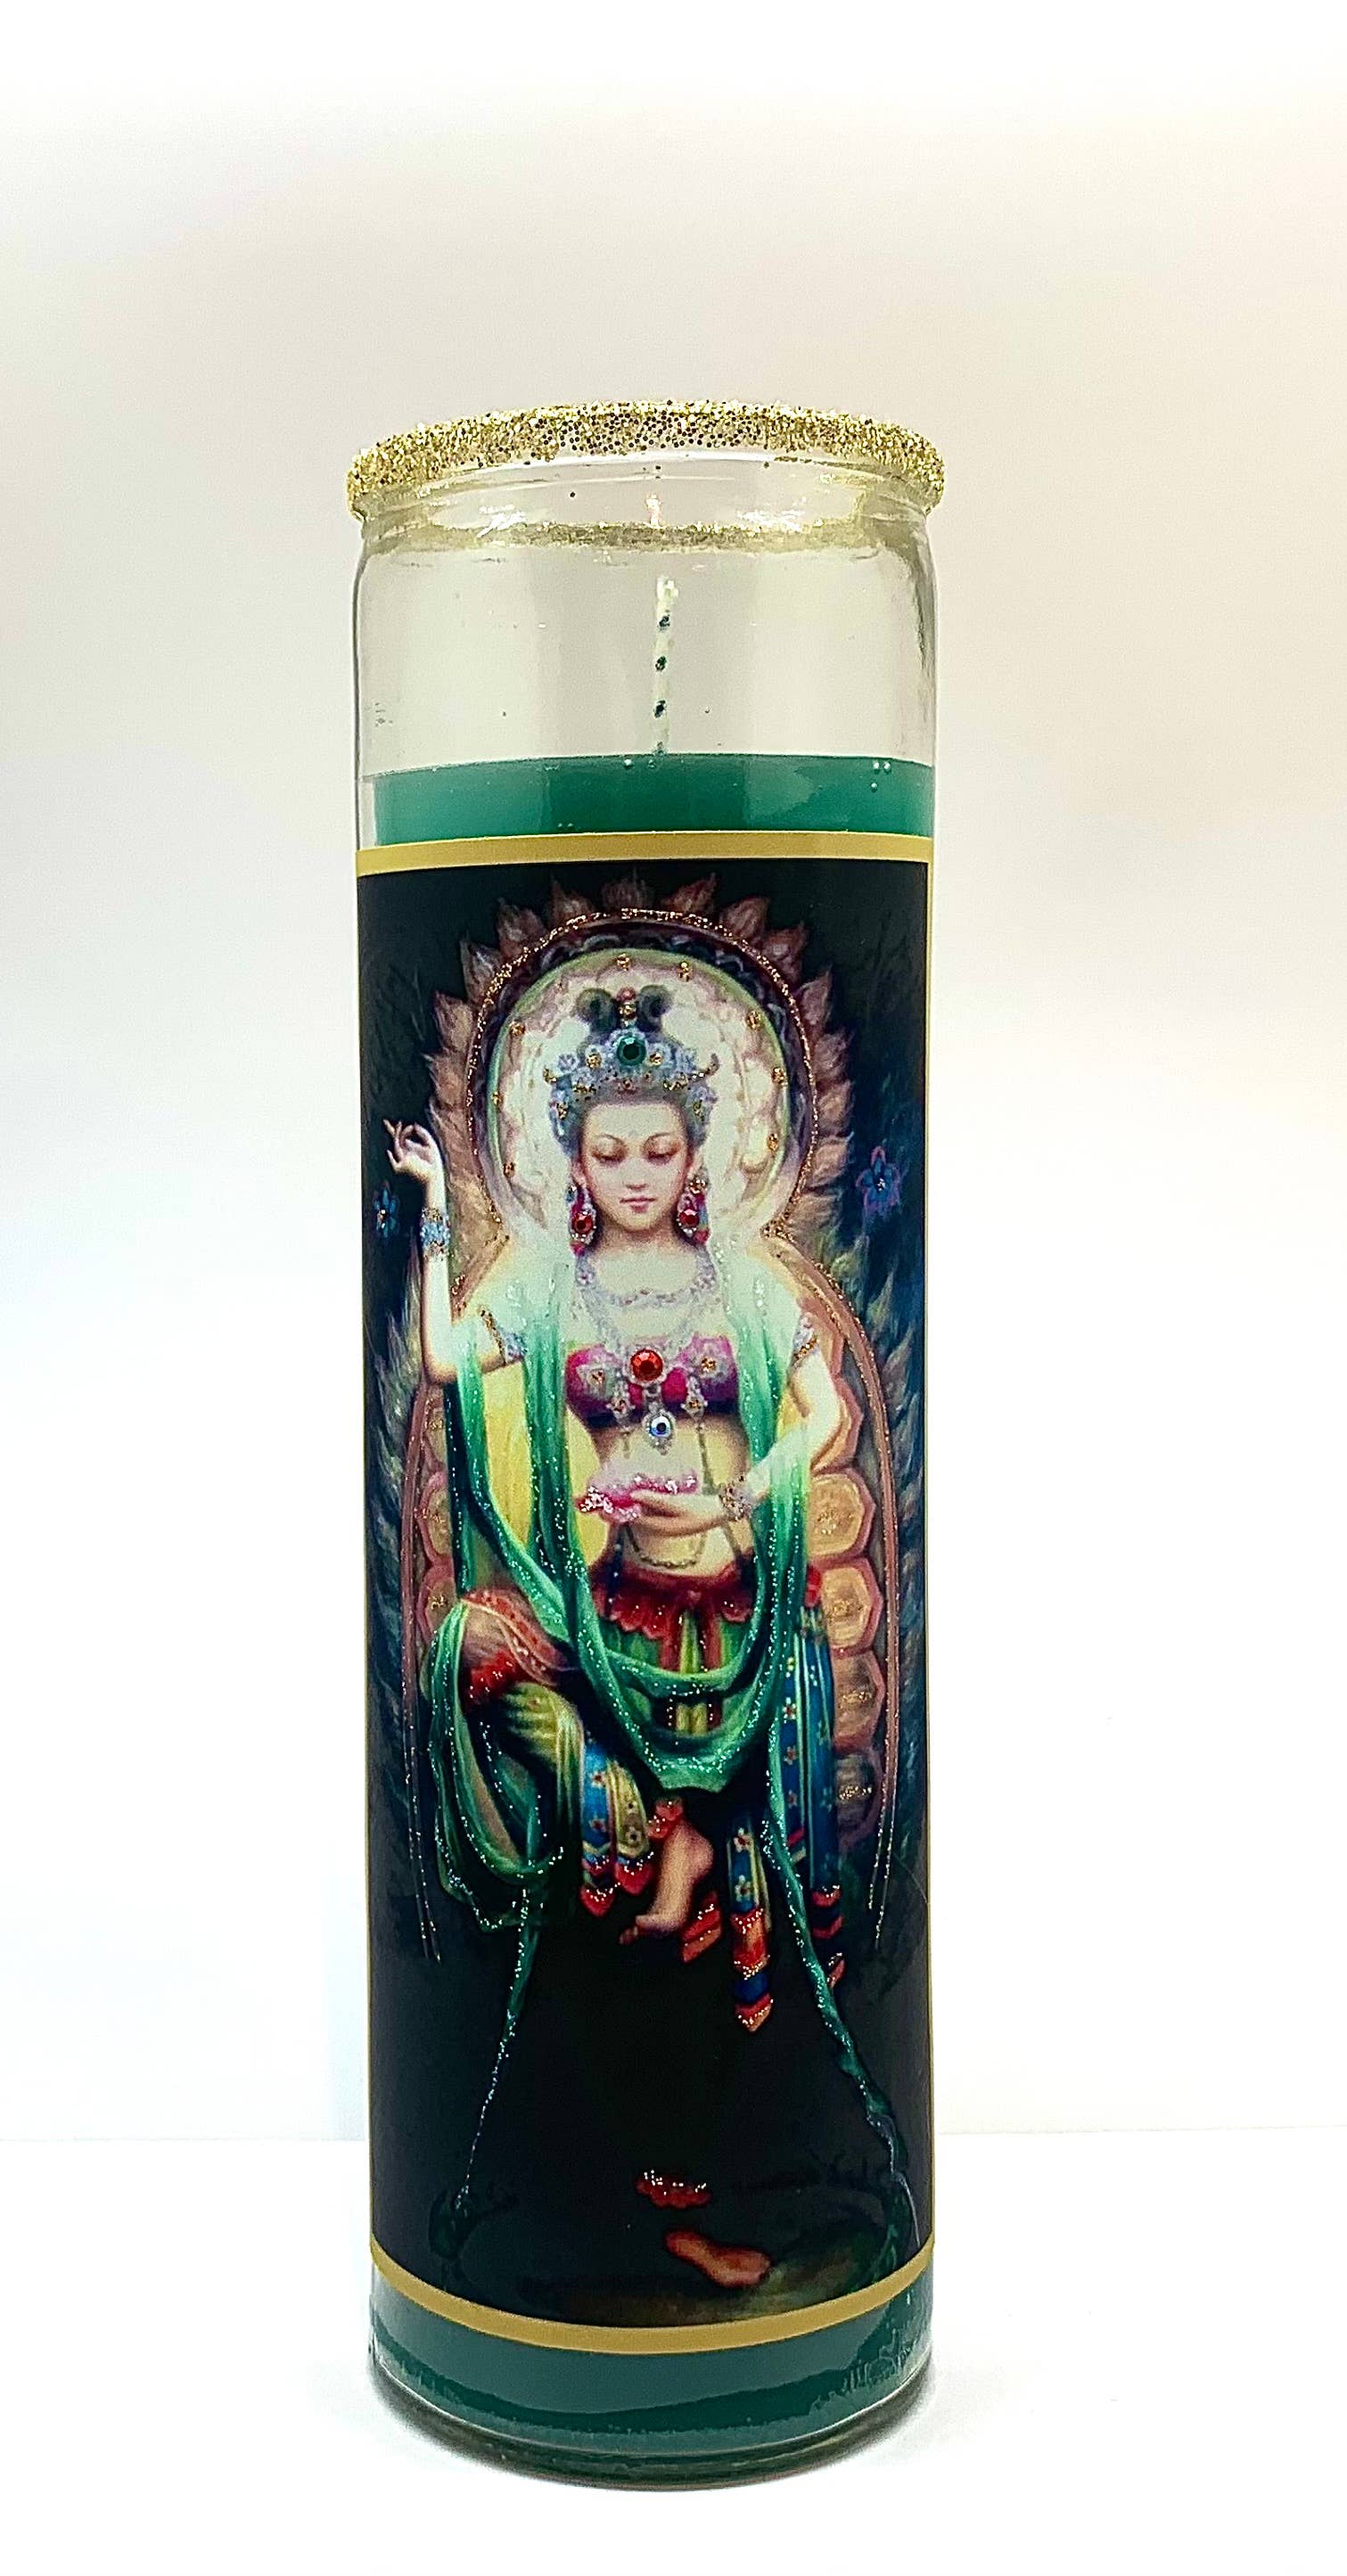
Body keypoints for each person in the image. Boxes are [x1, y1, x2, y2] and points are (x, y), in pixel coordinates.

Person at [386, 981, 905, 2299]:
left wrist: (739, 1497)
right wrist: (438, 1209)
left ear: (696, 1159)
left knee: (730, 1932)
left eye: (658, 1150)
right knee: (617, 1917)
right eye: (608, 1151)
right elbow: (446, 1360)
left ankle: (708, 2187)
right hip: (615, 1631)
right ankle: (619, 2199)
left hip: (740, 1632)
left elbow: (822, 1414)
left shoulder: (745, 1286)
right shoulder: (547, 1290)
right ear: (573, 1163)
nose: (633, 1174)